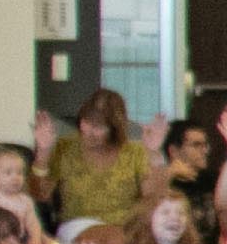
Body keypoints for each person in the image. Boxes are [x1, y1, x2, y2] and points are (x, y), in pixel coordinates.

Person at [35, 89, 149, 232]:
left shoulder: (135, 152)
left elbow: (152, 198)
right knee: (111, 240)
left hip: (124, 228)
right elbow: (41, 195)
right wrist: (43, 153)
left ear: (114, 129)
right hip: (78, 226)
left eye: (99, 126)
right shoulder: (64, 147)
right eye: (86, 122)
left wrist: (154, 152)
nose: (89, 132)